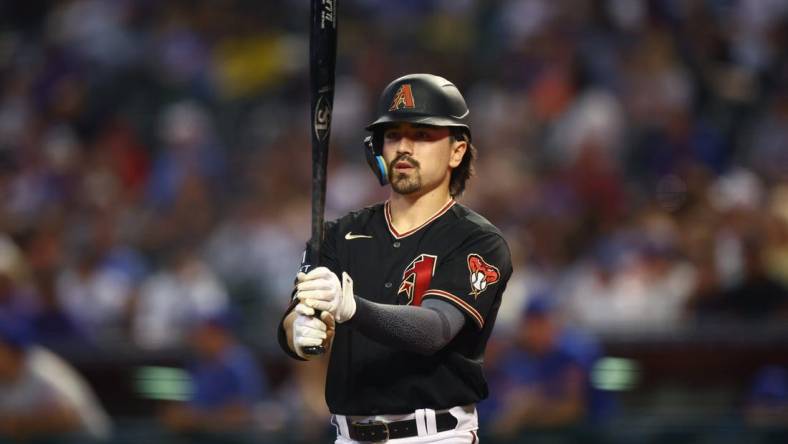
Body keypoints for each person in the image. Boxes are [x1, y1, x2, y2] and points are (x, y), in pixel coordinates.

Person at [278, 73, 513, 443]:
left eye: (422, 135)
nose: (404, 147)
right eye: (393, 135)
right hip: (347, 435)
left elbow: (434, 330)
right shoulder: (337, 234)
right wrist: (300, 331)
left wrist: (351, 308)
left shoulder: (476, 239)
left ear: (457, 149)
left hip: (435, 435)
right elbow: (294, 320)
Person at [0, 317, 111, 443]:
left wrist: (22, 422)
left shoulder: (41, 369)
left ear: (12, 349)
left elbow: (70, 417)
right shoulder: (4, 375)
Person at [159, 314, 266, 444]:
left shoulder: (238, 364)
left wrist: (195, 420)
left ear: (221, 335)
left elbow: (242, 416)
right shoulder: (198, 364)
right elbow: (181, 407)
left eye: (207, 334)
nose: (199, 339)